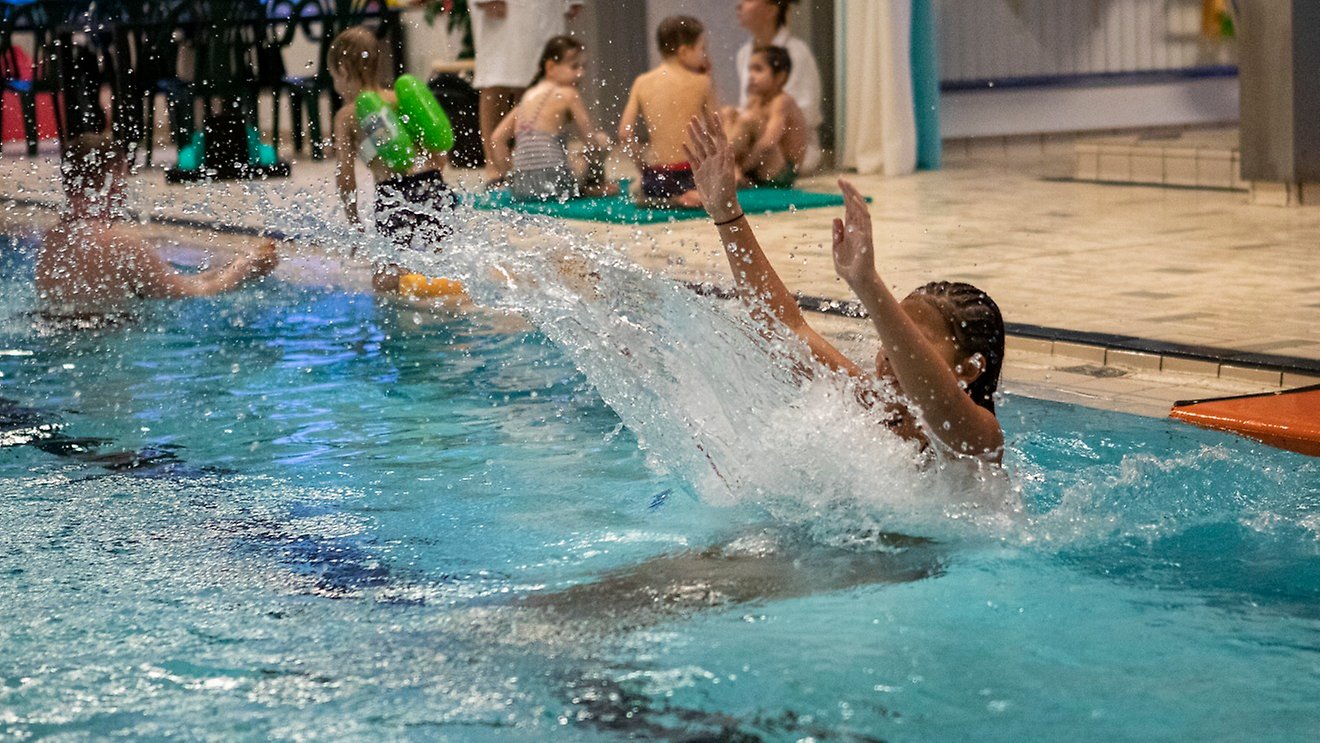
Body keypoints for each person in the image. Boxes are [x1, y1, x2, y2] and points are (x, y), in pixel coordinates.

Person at [684, 113, 1005, 461]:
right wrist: (726, 213)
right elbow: (785, 328)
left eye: (911, 338)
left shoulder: (981, 440)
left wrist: (867, 284)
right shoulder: (872, 404)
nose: (888, 351)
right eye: (889, 337)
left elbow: (940, 401)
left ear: (969, 369)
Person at [35, 133, 278, 321]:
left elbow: (175, 282)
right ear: (114, 181)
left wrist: (227, 267)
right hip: (110, 347)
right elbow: (194, 293)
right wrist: (245, 267)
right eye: (123, 178)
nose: (124, 191)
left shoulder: (53, 240)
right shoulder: (120, 244)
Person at [329, 27, 452, 293]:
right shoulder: (397, 100)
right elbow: (437, 156)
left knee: (385, 279)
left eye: (333, 76)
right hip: (433, 186)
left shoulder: (347, 116)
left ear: (343, 70)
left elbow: (345, 176)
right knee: (440, 259)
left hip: (394, 194)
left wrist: (354, 223)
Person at [489, 35, 615, 202]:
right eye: (574, 67)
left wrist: (512, 178)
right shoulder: (569, 94)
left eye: (583, 67)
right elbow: (590, 140)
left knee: (564, 158)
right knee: (602, 140)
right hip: (556, 184)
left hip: (522, 188)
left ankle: (524, 185)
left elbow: (496, 139)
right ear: (550, 67)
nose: (581, 73)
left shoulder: (527, 96)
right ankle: (595, 186)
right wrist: (597, 173)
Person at [471, 0, 584, 183]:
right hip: (504, 11)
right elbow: (590, 136)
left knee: (534, 77)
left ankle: (523, 165)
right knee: (495, 78)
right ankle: (494, 164)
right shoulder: (572, 96)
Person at [618, 15, 717, 209]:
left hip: (657, 177)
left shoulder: (641, 82)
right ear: (684, 51)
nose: (705, 55)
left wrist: (643, 170)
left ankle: (663, 196)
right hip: (690, 175)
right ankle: (689, 195)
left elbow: (624, 133)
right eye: (702, 49)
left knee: (645, 189)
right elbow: (717, 129)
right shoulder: (702, 82)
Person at [735, 0, 823, 174]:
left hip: (786, 148)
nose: (739, 4)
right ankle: (727, 167)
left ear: (771, 10)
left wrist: (756, 120)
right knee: (727, 115)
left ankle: (735, 168)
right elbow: (748, 104)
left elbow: (807, 114)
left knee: (749, 120)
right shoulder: (744, 53)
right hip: (755, 138)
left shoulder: (797, 53)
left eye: (749, 0)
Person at [721, 45, 806, 188]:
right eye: (750, 70)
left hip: (782, 174)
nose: (751, 76)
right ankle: (725, 165)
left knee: (749, 120)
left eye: (758, 70)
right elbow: (741, 137)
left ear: (780, 77)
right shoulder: (755, 99)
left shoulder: (782, 101)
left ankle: (724, 166)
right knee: (728, 112)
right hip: (758, 166)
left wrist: (742, 167)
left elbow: (768, 144)